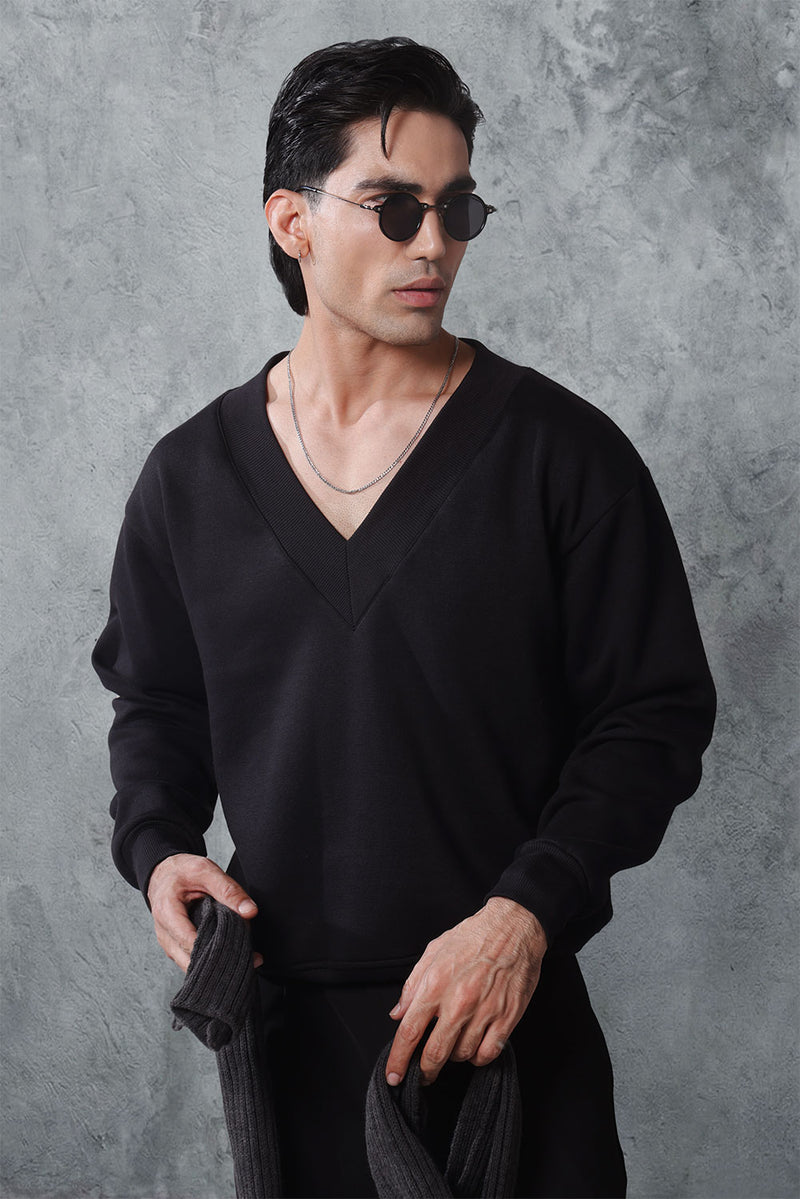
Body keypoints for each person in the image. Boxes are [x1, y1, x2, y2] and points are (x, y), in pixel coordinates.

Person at [92, 37, 716, 1198]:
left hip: (505, 1023)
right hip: (291, 1050)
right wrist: (159, 844)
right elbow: (159, 701)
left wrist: (523, 914)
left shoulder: (562, 457)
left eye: (455, 208)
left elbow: (650, 716)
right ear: (291, 221)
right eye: (392, 208)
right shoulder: (189, 480)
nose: (433, 243)